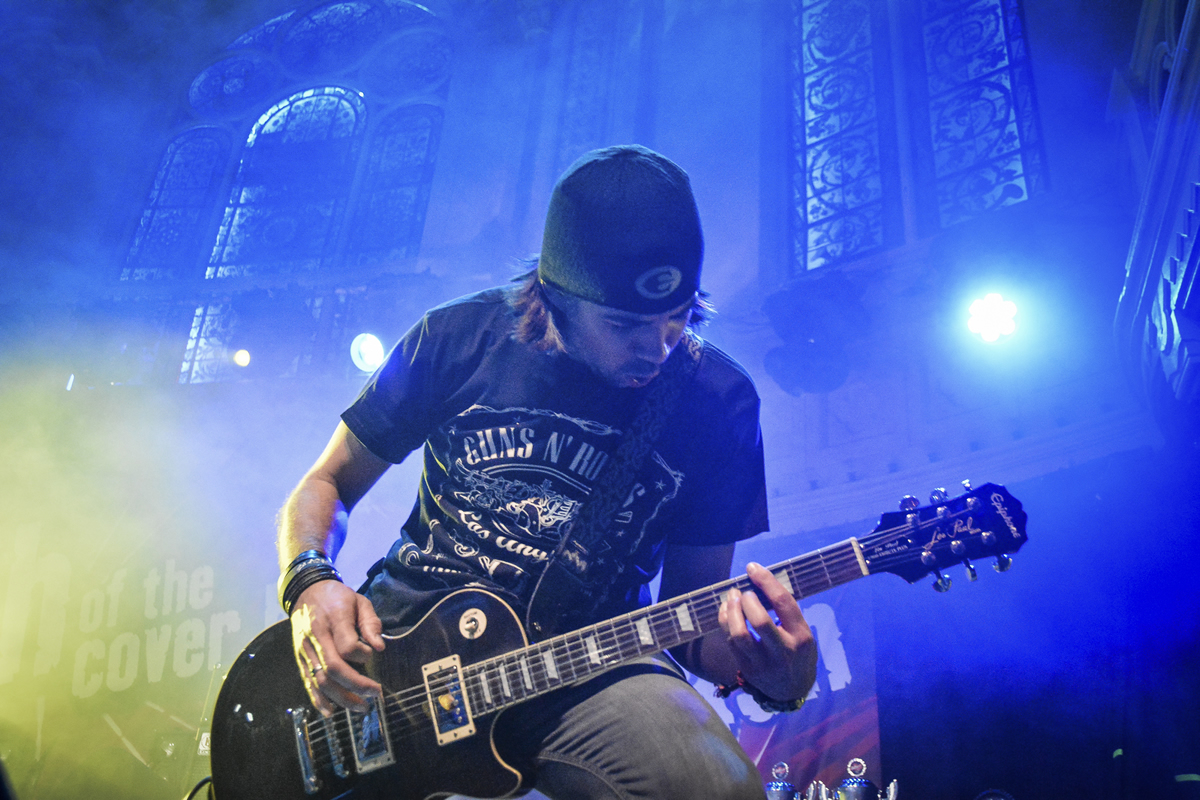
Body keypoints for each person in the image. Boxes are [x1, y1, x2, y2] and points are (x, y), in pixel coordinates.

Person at [276, 144, 818, 800]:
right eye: (624, 324)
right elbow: (326, 482)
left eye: (676, 319)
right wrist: (310, 583)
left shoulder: (718, 402)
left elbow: (695, 618)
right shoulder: (456, 337)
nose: (658, 347)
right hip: (404, 656)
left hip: (587, 671)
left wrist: (776, 675)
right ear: (556, 296)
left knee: (717, 788)